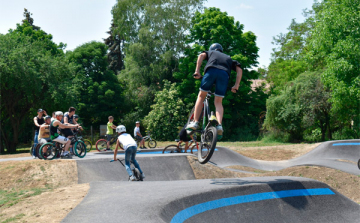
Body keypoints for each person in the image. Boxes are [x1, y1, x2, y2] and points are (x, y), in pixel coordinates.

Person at [186, 43, 242, 139]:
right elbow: (239, 69)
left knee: (201, 96)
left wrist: (197, 71)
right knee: (218, 102)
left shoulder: (211, 52)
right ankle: (219, 125)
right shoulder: (228, 58)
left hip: (211, 71)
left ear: (212, 49)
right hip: (224, 75)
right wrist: (236, 85)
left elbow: (201, 55)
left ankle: (195, 123)